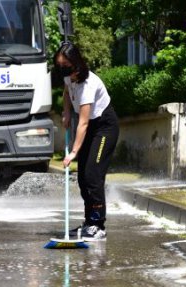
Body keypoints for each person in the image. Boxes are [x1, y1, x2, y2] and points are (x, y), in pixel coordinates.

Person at [55, 42, 119, 241]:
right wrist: (66, 111)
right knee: (82, 177)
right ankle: (89, 222)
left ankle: (99, 225)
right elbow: (67, 92)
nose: (62, 70)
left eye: (65, 66)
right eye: (59, 66)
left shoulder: (88, 84)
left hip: (103, 128)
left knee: (93, 176)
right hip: (90, 127)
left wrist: (73, 153)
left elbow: (82, 123)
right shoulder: (69, 77)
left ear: (76, 64)